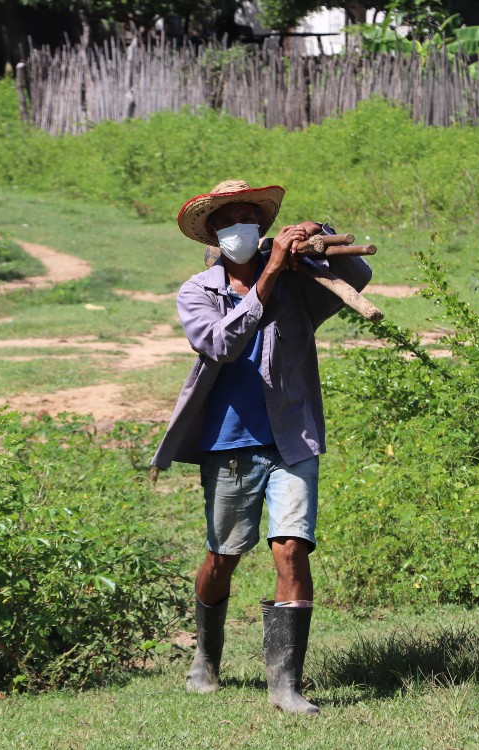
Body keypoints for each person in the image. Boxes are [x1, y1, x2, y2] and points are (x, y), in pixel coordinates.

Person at [151, 179, 372, 715]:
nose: (239, 229)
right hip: (228, 443)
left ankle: (286, 686)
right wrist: (269, 274)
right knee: (223, 555)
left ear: (264, 227)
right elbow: (222, 344)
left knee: (292, 547)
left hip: (291, 435)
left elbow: (358, 274)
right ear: (213, 233)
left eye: (249, 218)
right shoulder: (197, 292)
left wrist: (314, 234)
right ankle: (207, 654)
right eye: (227, 222)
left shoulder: (299, 283)